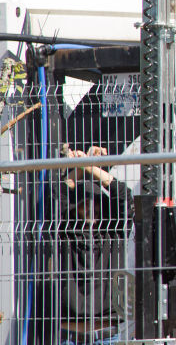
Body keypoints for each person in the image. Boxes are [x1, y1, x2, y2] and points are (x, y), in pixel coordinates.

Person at [52, 147, 133, 345]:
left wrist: (89, 166)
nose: (89, 206)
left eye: (95, 202)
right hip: (69, 336)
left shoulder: (113, 234)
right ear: (73, 207)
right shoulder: (66, 233)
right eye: (83, 202)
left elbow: (123, 194)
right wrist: (81, 167)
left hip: (106, 335)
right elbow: (58, 192)